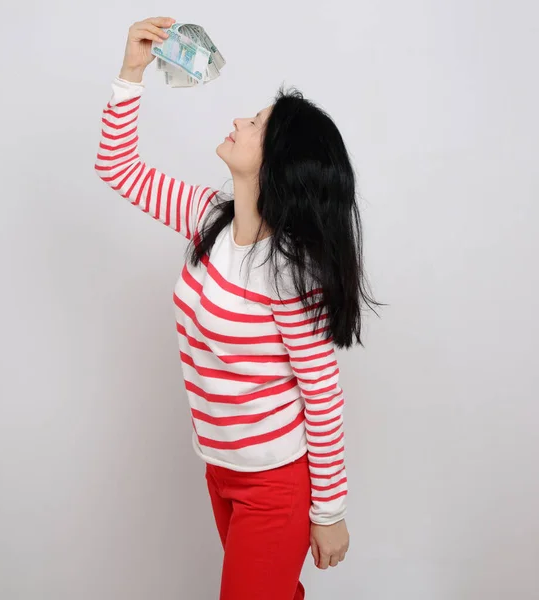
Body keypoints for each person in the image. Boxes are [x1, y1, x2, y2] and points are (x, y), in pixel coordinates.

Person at [94, 16, 378, 600]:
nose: (236, 122)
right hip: (219, 466)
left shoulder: (290, 276)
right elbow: (117, 169)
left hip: (275, 482)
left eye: (254, 124)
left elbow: (321, 395)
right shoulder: (209, 219)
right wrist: (131, 72)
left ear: (277, 162)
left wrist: (329, 512)